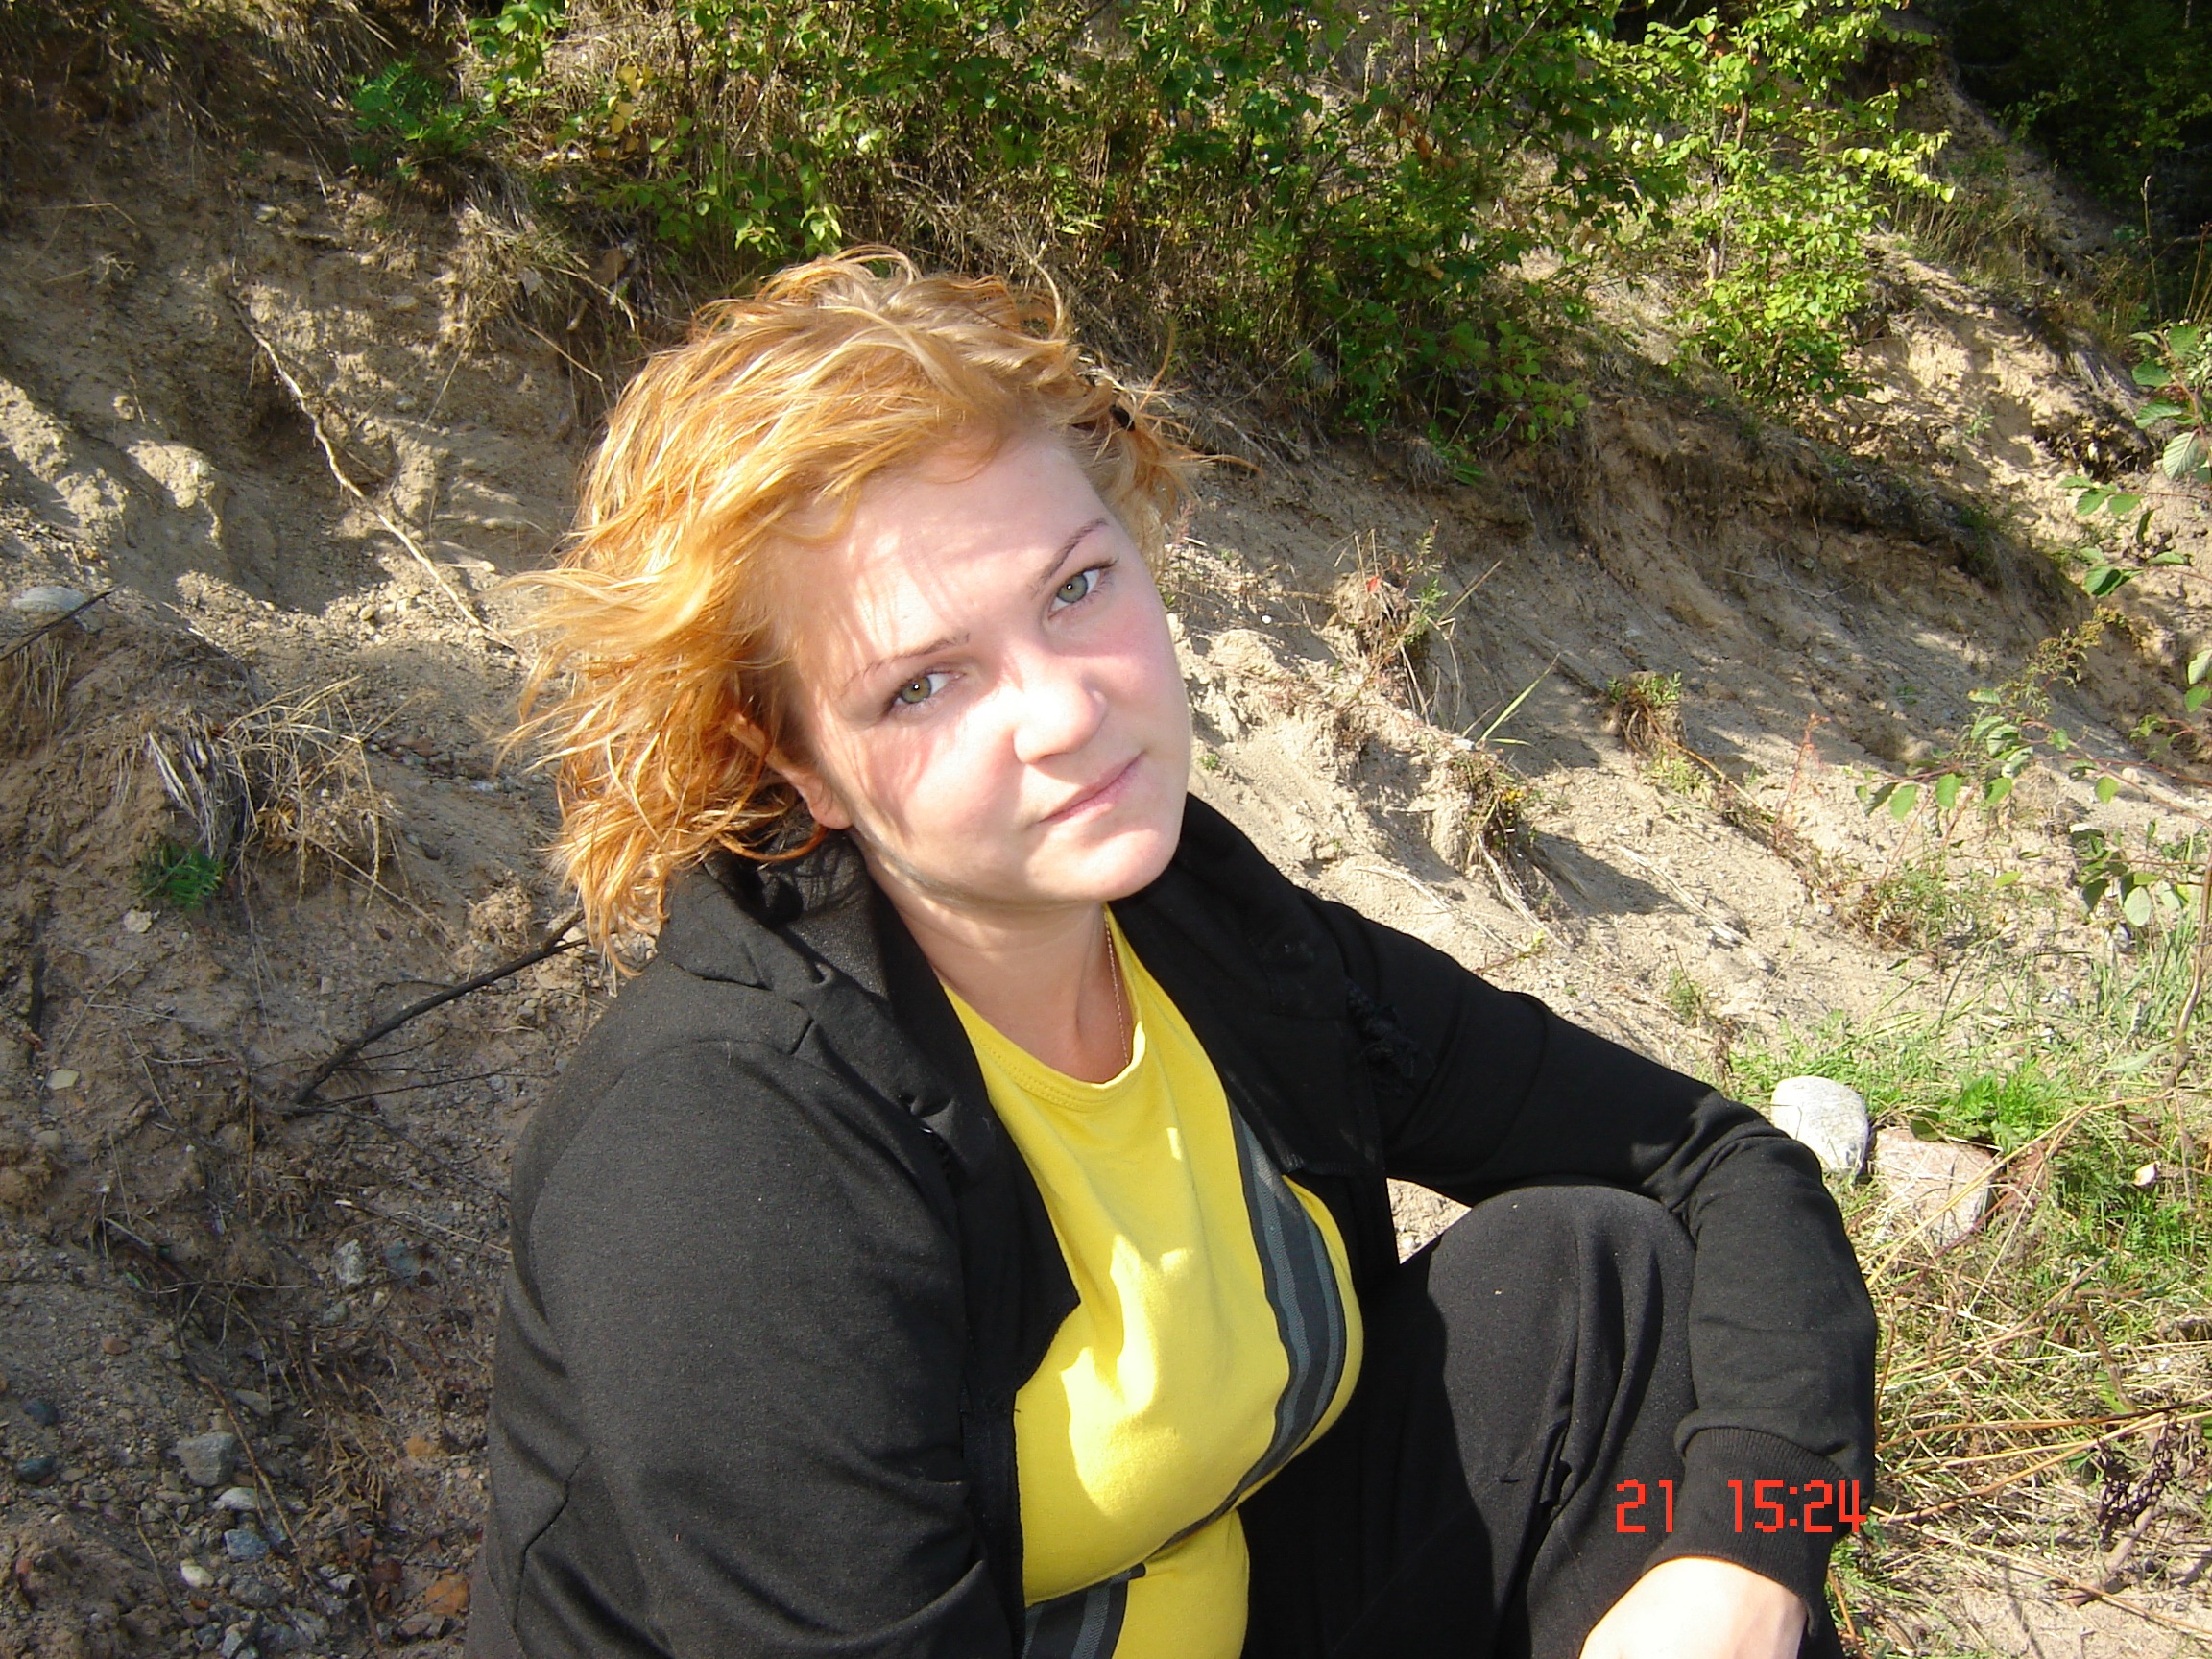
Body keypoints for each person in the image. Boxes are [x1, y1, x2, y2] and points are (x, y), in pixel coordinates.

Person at [469, 250, 1876, 1659]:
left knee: (1592, 1281)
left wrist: (1756, 1551)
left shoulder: (1209, 930)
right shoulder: (719, 1158)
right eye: (925, 682)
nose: (1065, 713)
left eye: (1077, 587)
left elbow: (1723, 1163)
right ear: (797, 764)